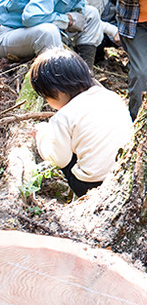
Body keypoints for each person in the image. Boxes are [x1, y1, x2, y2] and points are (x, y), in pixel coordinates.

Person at [30, 48, 132, 198]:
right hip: (125, 174)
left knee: (64, 151)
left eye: (46, 97)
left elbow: (59, 159)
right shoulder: (111, 97)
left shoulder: (63, 116)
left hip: (92, 184)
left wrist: (41, 137)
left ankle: (79, 198)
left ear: (56, 91)